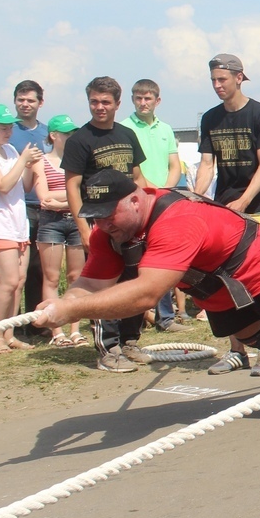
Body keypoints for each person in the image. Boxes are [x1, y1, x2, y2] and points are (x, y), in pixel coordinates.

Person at [32, 169, 260, 407]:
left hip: (256, 262)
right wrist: (60, 305)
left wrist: (74, 311)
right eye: (95, 216)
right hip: (210, 280)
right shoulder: (110, 233)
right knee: (252, 335)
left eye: (109, 214)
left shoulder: (175, 221)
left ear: (135, 197)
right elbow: (90, 284)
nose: (103, 223)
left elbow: (145, 295)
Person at [194, 54, 260, 375]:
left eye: (223, 80)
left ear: (239, 77)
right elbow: (206, 165)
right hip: (223, 208)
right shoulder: (210, 118)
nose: (218, 86)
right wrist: (197, 199)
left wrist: (244, 201)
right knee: (225, 280)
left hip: (258, 208)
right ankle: (237, 350)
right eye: (214, 80)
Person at [61, 76, 147, 373]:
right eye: (94, 102)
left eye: (105, 102)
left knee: (134, 283)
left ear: (117, 104)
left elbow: (138, 179)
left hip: (131, 225)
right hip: (101, 226)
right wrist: (84, 229)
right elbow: (72, 187)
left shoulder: (127, 134)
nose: (99, 107)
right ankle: (108, 349)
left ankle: (130, 341)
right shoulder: (79, 140)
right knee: (104, 288)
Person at [121, 79, 184, 334]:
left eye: (148, 98)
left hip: (162, 200)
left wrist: (165, 192)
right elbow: (133, 169)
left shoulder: (166, 129)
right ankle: (134, 317)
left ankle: (166, 317)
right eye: (138, 98)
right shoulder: (124, 128)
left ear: (157, 101)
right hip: (137, 200)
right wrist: (148, 192)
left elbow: (175, 165)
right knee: (136, 260)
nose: (143, 102)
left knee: (163, 259)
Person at [0, 103, 42, 355]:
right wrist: (23, 160)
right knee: (7, 281)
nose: (8, 131)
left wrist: (31, 166)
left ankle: (8, 333)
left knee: (18, 281)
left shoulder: (9, 149)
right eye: (2, 128)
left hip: (18, 222)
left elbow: (25, 185)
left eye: (10, 127)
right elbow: (4, 185)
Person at [32, 114, 87, 347]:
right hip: (51, 222)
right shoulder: (41, 161)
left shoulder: (78, 161)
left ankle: (75, 329)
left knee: (76, 277)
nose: (71, 137)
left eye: (73, 133)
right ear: (53, 136)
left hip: (75, 220)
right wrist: (71, 197)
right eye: (67, 133)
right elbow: (44, 197)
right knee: (52, 277)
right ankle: (57, 332)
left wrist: (63, 201)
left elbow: (84, 192)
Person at [12, 81, 48, 338]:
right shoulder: (4, 131)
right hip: (14, 208)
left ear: (40, 103)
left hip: (44, 207)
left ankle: (35, 325)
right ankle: (8, 326)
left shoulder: (49, 133)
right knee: (15, 272)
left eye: (30, 100)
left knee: (39, 268)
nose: (25, 104)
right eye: (20, 99)